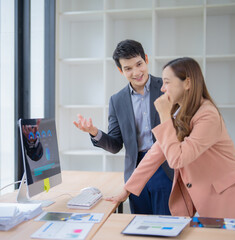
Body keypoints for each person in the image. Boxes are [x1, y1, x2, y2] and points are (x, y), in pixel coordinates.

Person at [106, 57, 235, 219]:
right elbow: (156, 152)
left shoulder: (207, 114)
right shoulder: (181, 113)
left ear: (187, 83)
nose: (162, 89)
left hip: (233, 202)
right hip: (208, 201)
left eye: (167, 82)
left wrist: (164, 115)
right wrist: (127, 189)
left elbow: (177, 159)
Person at [73, 39, 174, 215]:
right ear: (120, 70)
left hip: (165, 168)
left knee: (167, 225)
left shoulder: (167, 88)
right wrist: (94, 132)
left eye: (139, 64)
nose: (136, 72)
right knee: (140, 227)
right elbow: (115, 145)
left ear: (146, 60)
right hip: (135, 171)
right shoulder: (117, 100)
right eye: (128, 68)